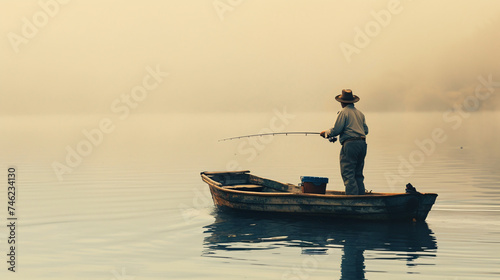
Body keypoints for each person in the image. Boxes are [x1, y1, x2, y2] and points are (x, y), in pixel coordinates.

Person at [320, 89, 368, 195]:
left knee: (348, 173)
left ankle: (352, 200)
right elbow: (366, 131)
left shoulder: (343, 112)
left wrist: (325, 133)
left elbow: (336, 130)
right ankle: (362, 198)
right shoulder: (360, 114)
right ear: (352, 101)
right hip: (362, 144)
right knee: (358, 174)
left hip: (350, 145)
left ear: (342, 102)